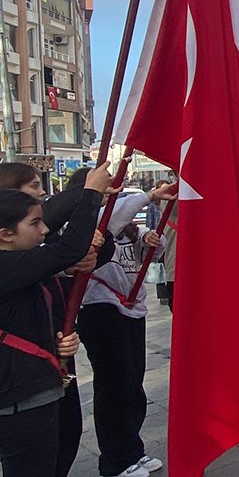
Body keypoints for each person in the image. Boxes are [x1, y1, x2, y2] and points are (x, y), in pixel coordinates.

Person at [0, 163, 118, 477]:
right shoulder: (9, 265)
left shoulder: (22, 262)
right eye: (34, 221)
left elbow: (35, 308)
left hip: (40, 379)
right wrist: (89, 192)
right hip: (20, 395)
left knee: (60, 449)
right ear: (5, 233)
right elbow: (68, 249)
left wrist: (58, 337)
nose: (43, 230)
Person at [77, 178, 175, 477]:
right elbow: (114, 217)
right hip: (100, 309)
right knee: (114, 386)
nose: (113, 197)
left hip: (131, 309)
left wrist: (149, 243)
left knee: (133, 384)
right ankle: (116, 460)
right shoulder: (85, 223)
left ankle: (133, 448)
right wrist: (150, 195)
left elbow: (149, 257)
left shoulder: (130, 228)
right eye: (107, 191)